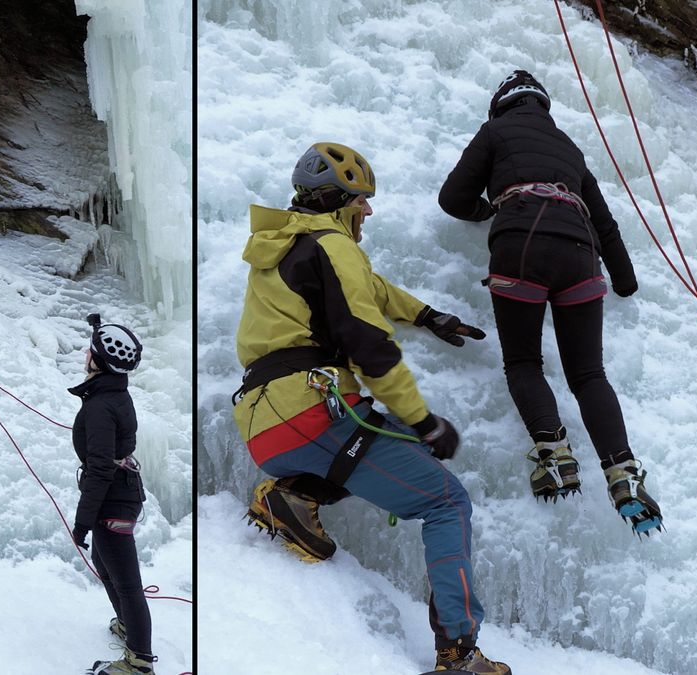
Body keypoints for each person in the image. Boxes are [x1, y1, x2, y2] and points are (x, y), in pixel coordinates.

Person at [233, 142, 511, 674]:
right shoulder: (333, 245)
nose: (368, 210)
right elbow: (369, 345)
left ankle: (291, 497)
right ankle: (459, 651)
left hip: (266, 425)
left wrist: (426, 314)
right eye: (362, 200)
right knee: (447, 501)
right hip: (316, 411)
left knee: (389, 446)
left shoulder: (285, 245)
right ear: (339, 201)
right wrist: (424, 421)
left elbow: (367, 288)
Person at [437, 70, 662, 536]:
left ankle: (555, 458)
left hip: (521, 244)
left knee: (523, 361)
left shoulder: (495, 131)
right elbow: (606, 225)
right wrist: (624, 282)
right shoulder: (570, 149)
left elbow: (453, 197)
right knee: (589, 374)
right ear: (543, 106)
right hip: (580, 255)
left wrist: (490, 210)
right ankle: (623, 473)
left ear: (500, 105)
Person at [69, 314, 156, 675]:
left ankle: (139, 662)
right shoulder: (111, 393)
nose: (85, 354)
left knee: (127, 582)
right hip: (120, 494)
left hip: (114, 500)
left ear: (98, 361)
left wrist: (81, 523)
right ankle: (128, 626)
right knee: (105, 564)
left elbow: (101, 468)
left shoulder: (101, 405)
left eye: (90, 351)